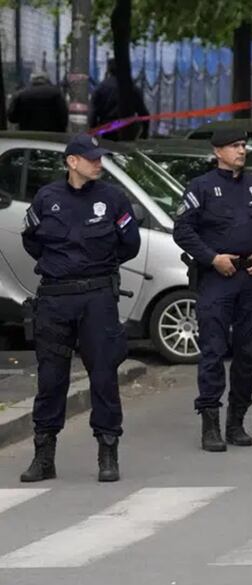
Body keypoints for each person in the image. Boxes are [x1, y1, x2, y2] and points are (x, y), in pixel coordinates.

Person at [19, 135, 141, 483]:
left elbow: (130, 244)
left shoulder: (112, 199)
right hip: (55, 299)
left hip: (97, 298)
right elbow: (32, 241)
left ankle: (107, 452)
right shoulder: (47, 198)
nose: (98, 163)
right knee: (51, 378)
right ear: (72, 162)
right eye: (91, 158)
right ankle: (44, 456)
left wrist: (97, 266)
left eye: (100, 157)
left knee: (103, 376)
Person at [173, 129, 252, 453]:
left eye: (243, 145)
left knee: (248, 355)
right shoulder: (202, 187)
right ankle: (210, 422)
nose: (241, 150)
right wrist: (211, 258)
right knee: (212, 351)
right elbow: (182, 229)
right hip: (217, 278)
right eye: (234, 146)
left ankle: (236, 420)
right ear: (217, 151)